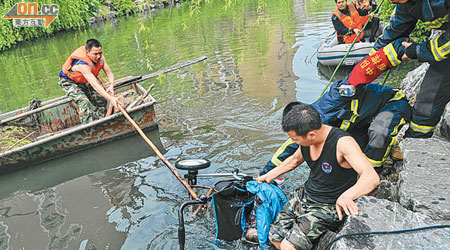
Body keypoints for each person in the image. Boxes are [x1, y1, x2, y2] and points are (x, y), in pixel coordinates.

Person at [260, 38, 411, 174]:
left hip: (392, 104)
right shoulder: (309, 119)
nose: (295, 142)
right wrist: (268, 171)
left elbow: (364, 70)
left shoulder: (332, 107)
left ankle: (374, 172)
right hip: (361, 120)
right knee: (349, 154)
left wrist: (399, 50)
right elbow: (291, 146)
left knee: (379, 132)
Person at [256, 102, 380, 250]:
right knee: (274, 237)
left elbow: (371, 177)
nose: (292, 142)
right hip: (304, 197)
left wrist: (347, 196)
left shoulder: (343, 143)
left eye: (295, 139)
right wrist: (268, 176)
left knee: (288, 247)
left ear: (311, 134)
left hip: (327, 206)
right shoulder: (307, 141)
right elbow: (294, 160)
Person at [372, 0, 450, 138]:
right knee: (430, 94)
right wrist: (370, 62)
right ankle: (417, 141)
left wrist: (418, 50)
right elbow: (397, 28)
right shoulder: (405, 3)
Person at [59, 39, 122, 124]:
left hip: (84, 80)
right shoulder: (82, 64)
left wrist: (111, 85)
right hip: (69, 82)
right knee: (84, 102)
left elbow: (109, 73)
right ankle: (88, 127)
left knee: (101, 100)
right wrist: (111, 99)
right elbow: (95, 85)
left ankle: (101, 122)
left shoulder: (100, 57)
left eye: (100, 53)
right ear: (87, 52)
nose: (98, 56)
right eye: (95, 54)